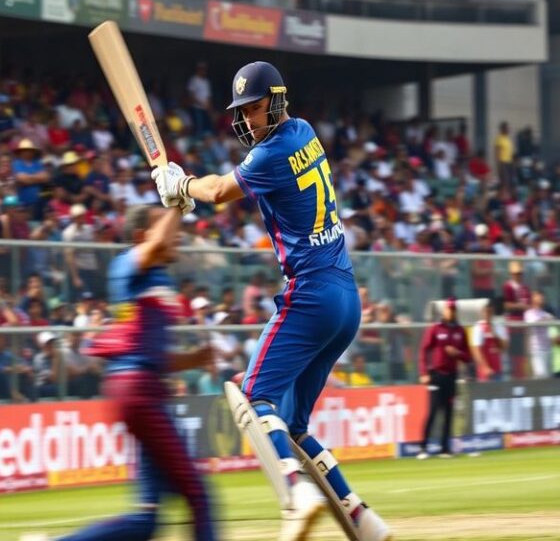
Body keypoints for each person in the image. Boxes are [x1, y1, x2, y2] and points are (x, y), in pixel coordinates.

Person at [151, 61, 390, 540]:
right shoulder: (304, 132)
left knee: (254, 396)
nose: (248, 120)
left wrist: (180, 185)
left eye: (256, 109)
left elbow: (218, 191)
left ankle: (296, 495)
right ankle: (364, 520)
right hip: (345, 298)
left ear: (277, 102)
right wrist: (186, 190)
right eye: (243, 112)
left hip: (312, 295)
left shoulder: (271, 153)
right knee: (295, 424)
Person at [56, 205, 217, 541]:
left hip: (139, 389)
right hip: (139, 392)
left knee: (146, 520)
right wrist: (177, 202)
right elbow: (157, 245)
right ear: (141, 236)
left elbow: (155, 355)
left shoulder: (153, 277)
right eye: (168, 227)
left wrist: (195, 358)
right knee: (199, 497)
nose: (179, 234)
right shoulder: (128, 264)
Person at [417, 298, 472, 459]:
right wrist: (424, 372)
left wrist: (458, 354)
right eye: (449, 309)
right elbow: (424, 350)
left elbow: (468, 356)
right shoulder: (436, 329)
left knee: (449, 412)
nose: (451, 312)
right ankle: (423, 447)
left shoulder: (460, 331)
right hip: (436, 375)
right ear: (444, 311)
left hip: (451, 376)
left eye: (454, 309)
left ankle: (445, 448)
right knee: (433, 410)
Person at [471, 300, 508, 381]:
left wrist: (495, 335)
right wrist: (485, 367)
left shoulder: (498, 326)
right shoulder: (478, 327)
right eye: (485, 312)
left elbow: (504, 346)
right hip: (485, 372)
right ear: (482, 312)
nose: (487, 314)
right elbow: (476, 350)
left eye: (489, 312)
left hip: (498, 370)